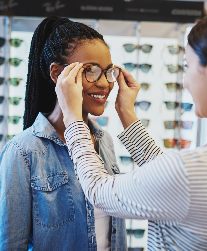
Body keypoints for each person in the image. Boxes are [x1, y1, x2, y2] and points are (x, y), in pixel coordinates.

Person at [55, 6, 207, 251]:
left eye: (186, 66)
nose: (184, 81)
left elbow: (100, 191)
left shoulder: (190, 173)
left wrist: (72, 118)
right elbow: (170, 182)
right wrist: (127, 113)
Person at [0, 17, 127, 250]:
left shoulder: (104, 141)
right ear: (57, 74)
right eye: (91, 71)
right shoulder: (22, 152)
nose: (105, 84)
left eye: (108, 72)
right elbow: (11, 244)